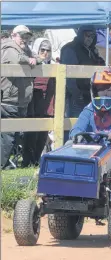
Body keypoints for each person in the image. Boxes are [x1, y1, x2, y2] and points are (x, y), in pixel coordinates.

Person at [68, 68, 111, 185]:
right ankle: (62, 178)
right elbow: (78, 126)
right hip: (91, 148)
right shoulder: (89, 109)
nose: (105, 94)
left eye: (109, 89)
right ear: (95, 91)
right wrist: (75, 135)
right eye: (101, 90)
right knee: (68, 145)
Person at [1, 25, 43, 168]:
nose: (24, 39)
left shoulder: (25, 49)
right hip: (9, 99)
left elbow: (38, 57)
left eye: (27, 37)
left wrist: (34, 60)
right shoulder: (8, 47)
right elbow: (16, 59)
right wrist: (29, 60)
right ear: (13, 35)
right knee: (8, 137)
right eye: (21, 36)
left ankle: (6, 165)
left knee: (16, 135)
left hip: (21, 100)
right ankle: (3, 166)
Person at [22, 38, 56, 167]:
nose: (45, 53)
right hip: (33, 103)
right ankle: (27, 162)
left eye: (48, 50)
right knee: (31, 134)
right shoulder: (32, 63)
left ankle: (36, 161)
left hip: (47, 105)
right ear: (37, 49)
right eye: (42, 50)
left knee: (42, 135)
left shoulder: (53, 66)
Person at [60, 26, 105, 123]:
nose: (90, 38)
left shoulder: (91, 51)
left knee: (89, 124)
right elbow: (69, 75)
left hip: (90, 95)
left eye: (92, 36)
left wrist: (97, 56)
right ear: (81, 35)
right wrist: (77, 94)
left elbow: (101, 68)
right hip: (75, 96)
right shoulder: (70, 49)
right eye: (87, 35)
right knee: (74, 124)